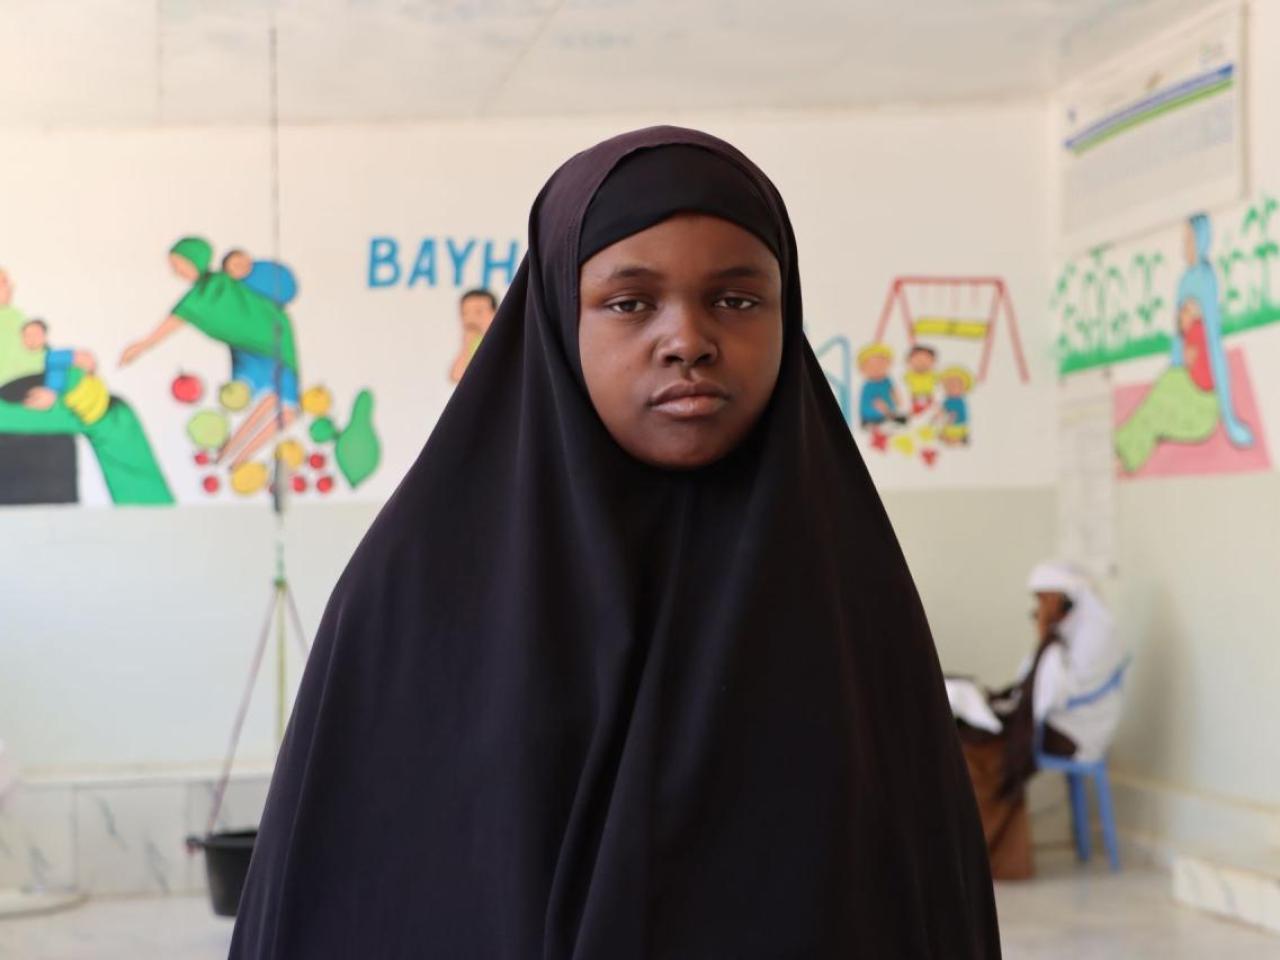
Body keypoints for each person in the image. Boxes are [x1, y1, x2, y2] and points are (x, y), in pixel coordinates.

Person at [230, 127, 998, 958]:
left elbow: (920, 902)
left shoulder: (854, 599)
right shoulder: (408, 602)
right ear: (560, 313)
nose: (688, 340)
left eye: (737, 300)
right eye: (631, 302)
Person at [950, 561, 1124, 880]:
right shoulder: (1065, 631)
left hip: (1077, 729)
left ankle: (993, 856)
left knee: (988, 758)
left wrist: (1047, 635)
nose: (1040, 608)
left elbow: (1056, 692)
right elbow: (1029, 684)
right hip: (1053, 720)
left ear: (1066, 598)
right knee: (965, 741)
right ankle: (969, 854)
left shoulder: (1095, 633)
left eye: (1046, 599)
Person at [119, 238, 301, 469]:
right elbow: (180, 316)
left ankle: (239, 458)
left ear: (195, 261)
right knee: (269, 400)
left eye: (178, 265)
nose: (176, 271)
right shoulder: (204, 291)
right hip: (247, 349)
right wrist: (143, 345)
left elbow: (179, 318)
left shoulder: (216, 286)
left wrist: (143, 345)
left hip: (271, 341)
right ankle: (230, 454)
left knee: (282, 406)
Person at [1115, 214, 1254, 473]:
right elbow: (1178, 340)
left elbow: (1214, 348)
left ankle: (1126, 457)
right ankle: (1122, 454)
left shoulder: (1206, 281)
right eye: (1184, 242)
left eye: (1189, 241)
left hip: (1201, 398)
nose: (1185, 248)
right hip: (1183, 378)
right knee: (1156, 400)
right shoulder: (1184, 282)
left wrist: (1229, 417)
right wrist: (1176, 366)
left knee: (1157, 413)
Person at [18, 319, 97, 411]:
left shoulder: (52, 356)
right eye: (27, 335)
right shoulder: (17, 356)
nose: (32, 339)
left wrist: (52, 393)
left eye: (36, 334)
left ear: (44, 336)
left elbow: (86, 360)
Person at [449, 287, 498, 382]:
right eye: (465, 313)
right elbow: (457, 376)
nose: (471, 319)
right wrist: (466, 345)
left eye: (478, 312)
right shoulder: (472, 343)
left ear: (495, 313)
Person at [857, 342, 906, 428]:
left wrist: (897, 399)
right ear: (863, 369)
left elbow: (893, 391)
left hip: (888, 413)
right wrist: (886, 411)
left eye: (881, 364)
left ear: (889, 364)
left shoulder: (887, 380)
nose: (877, 369)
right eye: (871, 366)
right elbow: (876, 403)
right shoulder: (869, 386)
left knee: (903, 421)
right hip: (873, 416)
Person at [938, 365, 974, 445]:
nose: (951, 387)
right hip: (947, 425)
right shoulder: (946, 401)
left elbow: (959, 414)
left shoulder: (960, 402)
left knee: (955, 433)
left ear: (963, 389)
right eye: (948, 385)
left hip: (958, 424)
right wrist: (940, 414)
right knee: (942, 433)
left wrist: (950, 417)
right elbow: (943, 410)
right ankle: (949, 438)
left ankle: (957, 439)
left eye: (955, 385)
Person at [904, 343, 938, 414]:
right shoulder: (904, 377)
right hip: (912, 403)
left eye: (926, 358)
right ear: (908, 360)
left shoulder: (936, 377)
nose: (922, 362)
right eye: (918, 358)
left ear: (933, 362)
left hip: (930, 404)